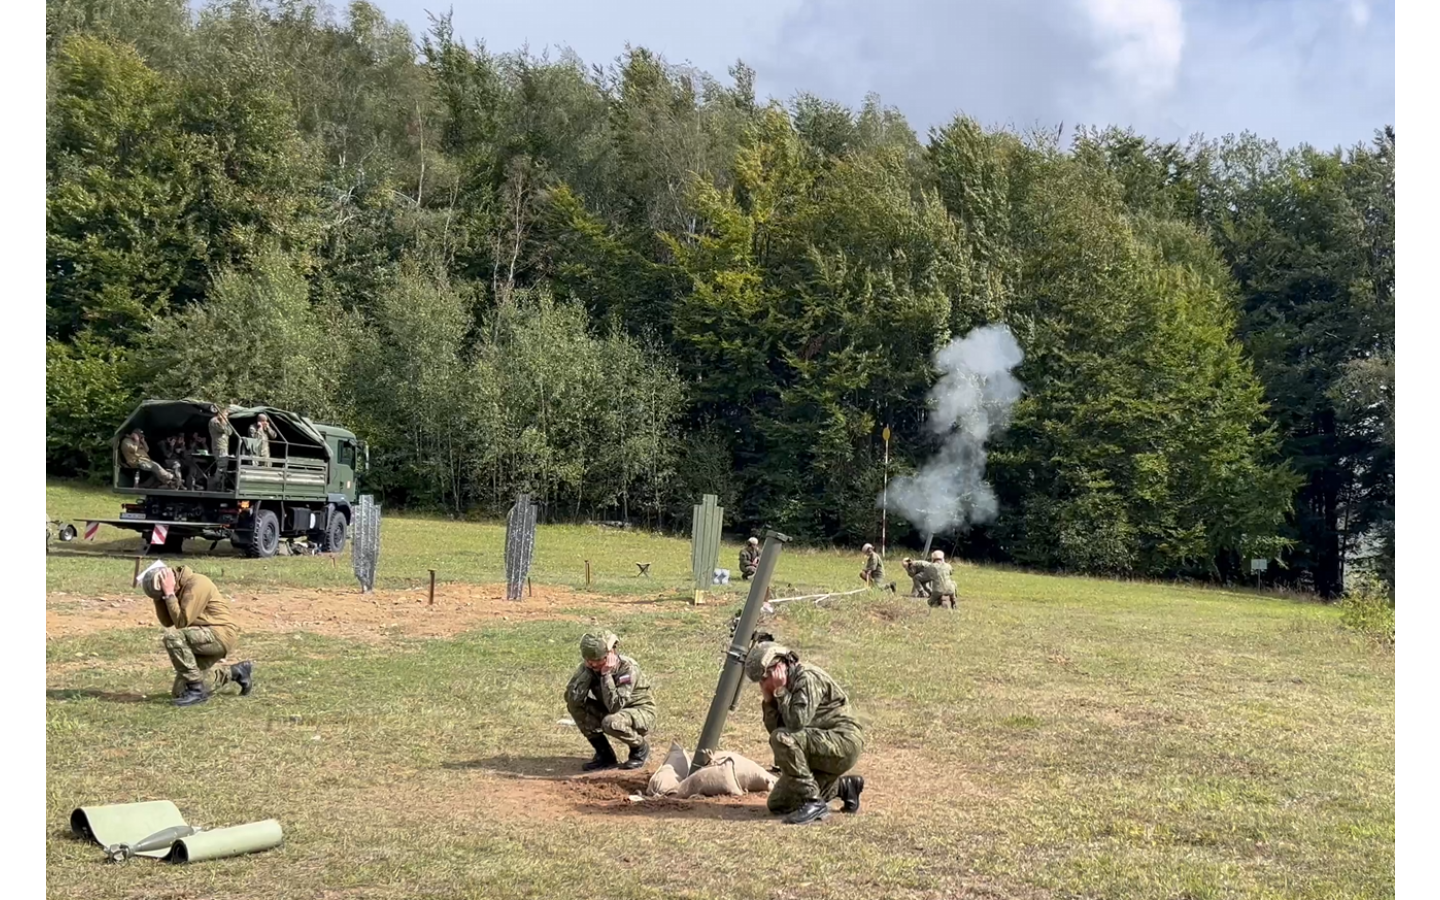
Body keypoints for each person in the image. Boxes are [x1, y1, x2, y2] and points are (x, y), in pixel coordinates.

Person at [745, 641, 865, 825]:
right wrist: (769, 701)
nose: (763, 685)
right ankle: (844, 787)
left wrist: (780, 691)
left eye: (763, 679)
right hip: (818, 742)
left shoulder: (807, 678)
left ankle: (813, 802)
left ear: (777, 668)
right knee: (778, 803)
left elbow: (795, 724)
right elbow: (775, 730)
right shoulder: (785, 685)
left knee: (782, 738)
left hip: (843, 741)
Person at [136, 560, 254, 707]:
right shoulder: (177, 588)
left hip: (219, 634)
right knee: (180, 692)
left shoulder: (198, 583)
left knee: (173, 637)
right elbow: (167, 621)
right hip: (201, 636)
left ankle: (196, 689)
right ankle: (236, 672)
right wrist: (160, 598)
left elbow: (181, 622)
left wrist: (169, 593)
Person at [564, 632, 655, 771]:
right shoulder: (590, 667)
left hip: (640, 713)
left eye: (598, 660)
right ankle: (604, 755)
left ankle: (639, 748)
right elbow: (572, 698)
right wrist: (587, 672)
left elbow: (615, 706)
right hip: (611, 710)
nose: (593, 663)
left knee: (611, 722)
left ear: (611, 653)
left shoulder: (627, 668)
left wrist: (606, 675)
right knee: (576, 707)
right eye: (588, 660)